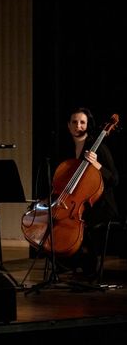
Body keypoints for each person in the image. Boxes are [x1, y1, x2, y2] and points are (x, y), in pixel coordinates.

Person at [55, 107, 119, 277]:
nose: (78, 126)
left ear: (88, 124)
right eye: (74, 122)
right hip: (76, 202)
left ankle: (88, 266)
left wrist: (97, 165)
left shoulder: (99, 148)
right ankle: (66, 262)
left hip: (101, 204)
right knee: (54, 220)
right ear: (68, 125)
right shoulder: (66, 150)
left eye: (82, 122)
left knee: (82, 224)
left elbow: (114, 180)